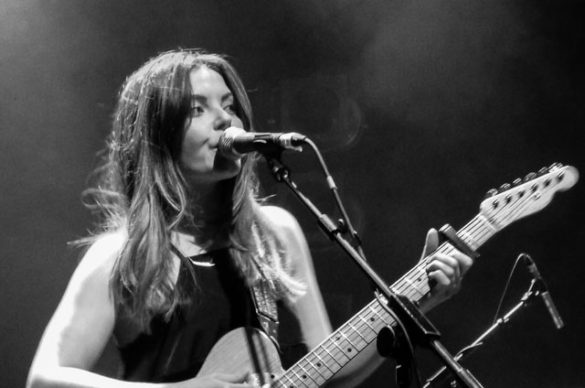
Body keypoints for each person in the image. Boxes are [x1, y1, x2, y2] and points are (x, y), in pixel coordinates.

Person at [26, 49, 473, 388]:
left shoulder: (274, 234)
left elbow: (330, 368)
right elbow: (44, 377)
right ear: (159, 139)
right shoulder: (121, 255)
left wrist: (417, 301)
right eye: (197, 109)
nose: (224, 119)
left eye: (228, 103)